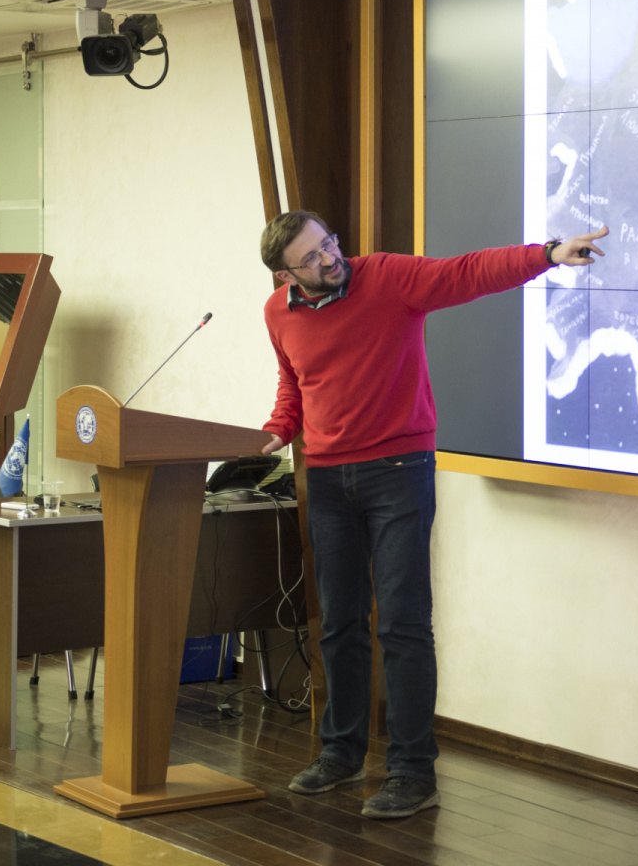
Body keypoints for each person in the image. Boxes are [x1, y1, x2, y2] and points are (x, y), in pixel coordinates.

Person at [257, 210, 608, 819]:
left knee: (402, 624)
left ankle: (412, 772)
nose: (330, 258)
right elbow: (294, 384)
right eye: (311, 258)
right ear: (285, 277)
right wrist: (276, 429)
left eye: (328, 243)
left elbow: (468, 273)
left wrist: (548, 254)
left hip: (398, 471)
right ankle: (341, 753)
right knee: (339, 623)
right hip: (328, 479)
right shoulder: (277, 314)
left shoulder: (388, 278)